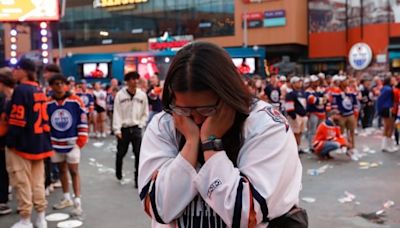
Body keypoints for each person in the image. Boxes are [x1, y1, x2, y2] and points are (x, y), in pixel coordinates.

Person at [138, 42, 305, 227]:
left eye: (206, 109)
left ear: (227, 95)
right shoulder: (165, 124)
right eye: (185, 110)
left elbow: (245, 213)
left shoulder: (265, 124)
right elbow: (158, 208)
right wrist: (192, 142)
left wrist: (211, 143)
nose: (197, 119)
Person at [6, 58, 53, 228]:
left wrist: (9, 141)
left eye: (16, 68)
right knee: (38, 182)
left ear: (25, 71)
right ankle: (41, 217)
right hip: (39, 142)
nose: (14, 72)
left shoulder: (21, 90)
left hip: (23, 144)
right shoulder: (39, 89)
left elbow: (18, 120)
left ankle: (25, 219)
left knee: (22, 182)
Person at [47, 74, 88, 216]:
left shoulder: (76, 101)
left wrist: (80, 142)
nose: (59, 86)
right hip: (56, 144)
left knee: (74, 171)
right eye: (55, 84)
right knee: (62, 171)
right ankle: (66, 198)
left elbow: (83, 121)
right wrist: (49, 142)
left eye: (61, 83)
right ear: (51, 86)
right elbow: (46, 124)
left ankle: (77, 201)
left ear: (66, 85)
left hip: (73, 143)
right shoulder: (48, 104)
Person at [113, 71, 149, 187]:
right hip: (124, 129)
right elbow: (117, 113)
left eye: (136, 79)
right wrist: (117, 129)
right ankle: (118, 173)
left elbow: (145, 112)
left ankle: (137, 179)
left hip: (136, 128)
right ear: (127, 81)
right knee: (121, 153)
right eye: (132, 79)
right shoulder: (120, 95)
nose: (135, 81)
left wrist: (141, 124)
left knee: (138, 154)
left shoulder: (142, 95)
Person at [0, 68, 16, 215]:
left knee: (8, 170)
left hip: (8, 140)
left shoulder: (11, 97)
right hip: (8, 139)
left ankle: (3, 201)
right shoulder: (8, 96)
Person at [285, 76, 308, 153]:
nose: (300, 83)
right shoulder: (290, 94)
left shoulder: (303, 93)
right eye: (298, 82)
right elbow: (289, 107)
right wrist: (293, 116)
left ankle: (298, 147)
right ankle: (294, 148)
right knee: (295, 133)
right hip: (295, 116)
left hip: (303, 116)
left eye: (300, 82)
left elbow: (304, 104)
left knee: (300, 132)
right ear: (293, 84)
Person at [305, 75, 327, 152]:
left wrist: (320, 99)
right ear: (311, 83)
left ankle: (319, 144)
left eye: (317, 81)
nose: (316, 83)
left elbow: (326, 98)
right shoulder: (308, 91)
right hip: (313, 113)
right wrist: (321, 100)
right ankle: (311, 146)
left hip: (322, 112)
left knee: (321, 130)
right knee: (313, 130)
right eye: (314, 82)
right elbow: (312, 100)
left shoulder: (320, 89)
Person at [376, 76, 397, 152]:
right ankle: (388, 146)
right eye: (393, 79)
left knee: (386, 127)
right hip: (388, 108)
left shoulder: (384, 88)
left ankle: (384, 145)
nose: (394, 80)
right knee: (390, 127)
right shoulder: (389, 89)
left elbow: (380, 99)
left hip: (384, 108)